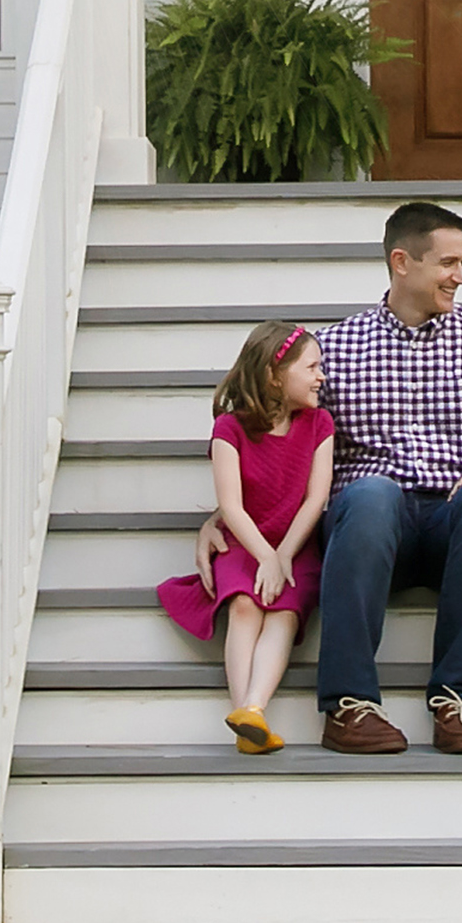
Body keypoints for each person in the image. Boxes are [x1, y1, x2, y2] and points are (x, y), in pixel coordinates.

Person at [307, 198, 462, 756]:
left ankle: (458, 703)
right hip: (366, 528)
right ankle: (348, 706)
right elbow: (285, 440)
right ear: (401, 262)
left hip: (451, 523)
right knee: (371, 493)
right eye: (448, 263)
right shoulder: (335, 347)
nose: (461, 277)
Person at [155, 322, 337, 752]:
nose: (321, 376)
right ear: (275, 375)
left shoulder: (319, 424)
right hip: (244, 541)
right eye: (311, 367)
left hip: (296, 543)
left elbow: (316, 499)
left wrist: (284, 556)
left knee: (284, 612)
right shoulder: (229, 429)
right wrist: (264, 556)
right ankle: (244, 715)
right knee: (243, 606)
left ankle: (254, 708)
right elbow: (231, 507)